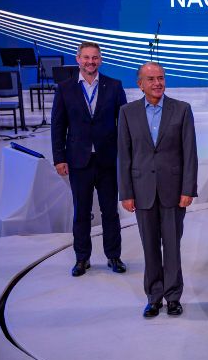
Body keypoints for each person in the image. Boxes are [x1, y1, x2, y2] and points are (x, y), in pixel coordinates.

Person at [118, 62, 198, 318]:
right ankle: (154, 297)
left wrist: (188, 189)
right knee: (149, 246)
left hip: (173, 191)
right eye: (151, 79)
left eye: (161, 78)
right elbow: (125, 156)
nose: (157, 83)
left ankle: (173, 297)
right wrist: (126, 193)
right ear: (140, 84)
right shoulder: (127, 112)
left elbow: (190, 154)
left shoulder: (182, 110)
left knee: (172, 246)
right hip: (142, 191)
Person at [51, 42, 128, 277]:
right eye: (86, 58)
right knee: (81, 212)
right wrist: (59, 158)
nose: (90, 62)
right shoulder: (64, 89)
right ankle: (82, 259)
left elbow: (124, 125)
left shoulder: (114, 86)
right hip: (78, 160)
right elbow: (58, 125)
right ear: (78, 59)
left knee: (110, 212)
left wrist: (125, 157)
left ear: (100, 60)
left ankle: (113, 256)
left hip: (107, 160)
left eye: (95, 58)